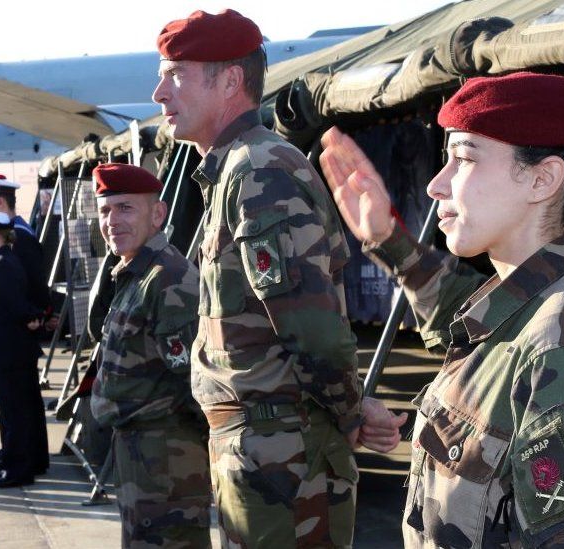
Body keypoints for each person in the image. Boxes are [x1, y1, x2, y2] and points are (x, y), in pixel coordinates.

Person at [319, 72, 564, 547]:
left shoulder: (563, 345)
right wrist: (386, 240)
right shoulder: (534, 302)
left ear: (542, 179)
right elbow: (466, 320)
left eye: (462, 159)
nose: (436, 186)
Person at [151, 9, 404, 546]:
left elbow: (308, 325)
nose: (158, 93)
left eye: (175, 74)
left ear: (230, 81)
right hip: (263, 447)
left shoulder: (260, 170)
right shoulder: (235, 169)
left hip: (283, 455)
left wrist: (350, 408)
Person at [89, 163, 211, 547]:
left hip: (168, 461)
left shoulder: (167, 279)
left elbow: (198, 384)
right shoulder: (134, 274)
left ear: (157, 214)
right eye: (105, 211)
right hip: (140, 454)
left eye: (125, 208)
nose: (112, 221)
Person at [0, 212, 49, 488]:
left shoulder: (3, 263)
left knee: (16, 410)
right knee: (16, 408)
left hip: (12, 350)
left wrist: (33, 317)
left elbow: (16, 304)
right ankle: (20, 457)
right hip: (6, 348)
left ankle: (19, 469)